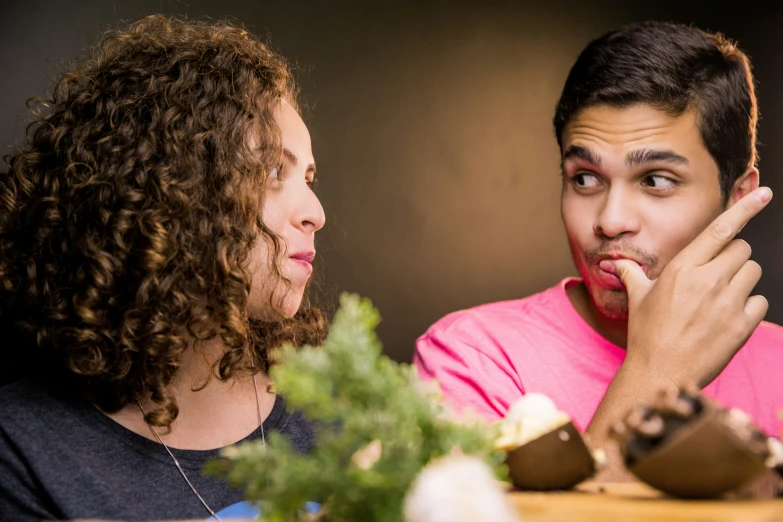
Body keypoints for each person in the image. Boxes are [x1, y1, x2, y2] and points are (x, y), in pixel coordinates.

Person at [414, 21, 783, 478]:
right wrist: (655, 371)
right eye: (585, 178)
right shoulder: (475, 359)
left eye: (655, 181)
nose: (609, 221)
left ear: (738, 199)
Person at [0, 15, 325, 521]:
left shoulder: (337, 409)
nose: (315, 212)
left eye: (308, 176)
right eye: (269, 171)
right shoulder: (25, 452)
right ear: (170, 189)